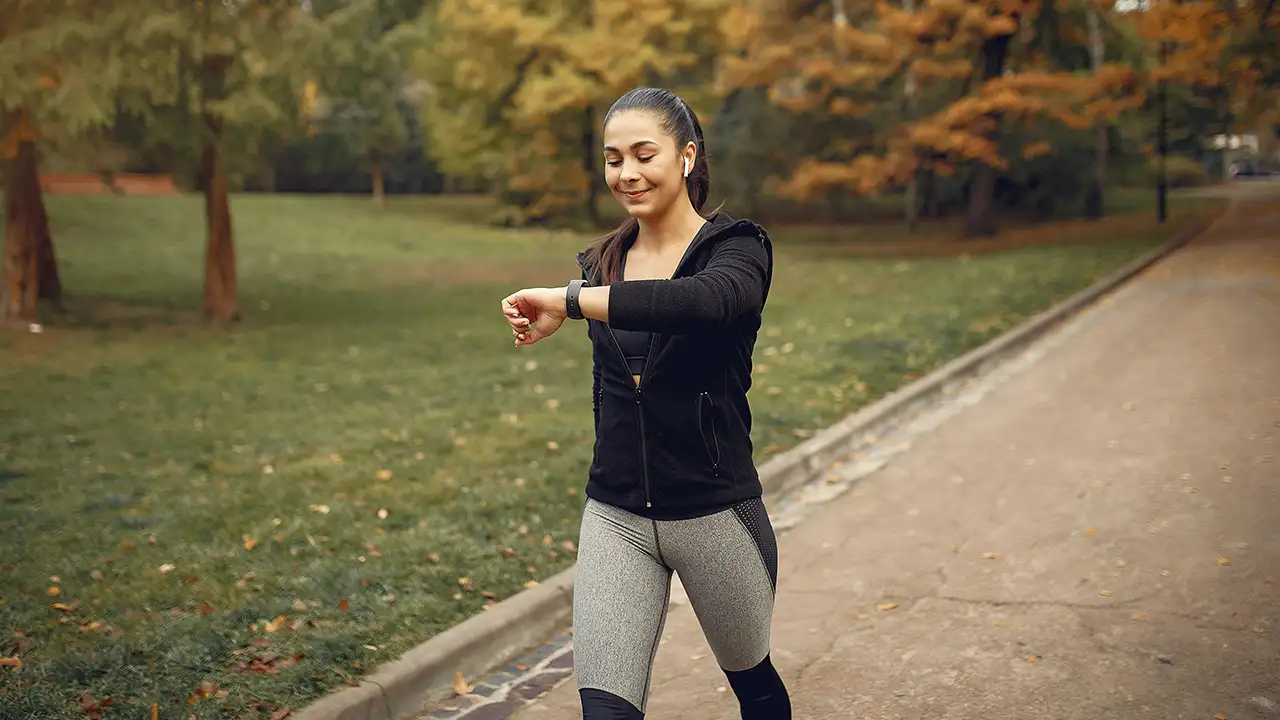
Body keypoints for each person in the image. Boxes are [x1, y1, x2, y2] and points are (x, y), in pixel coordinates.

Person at [500, 86, 791, 720]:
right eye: (612, 159)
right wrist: (571, 302)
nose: (626, 173)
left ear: (687, 157)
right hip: (616, 516)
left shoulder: (737, 250)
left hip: (715, 516)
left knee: (756, 688)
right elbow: (614, 389)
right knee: (605, 711)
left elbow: (699, 304)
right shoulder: (601, 262)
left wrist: (573, 301)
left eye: (643, 154)